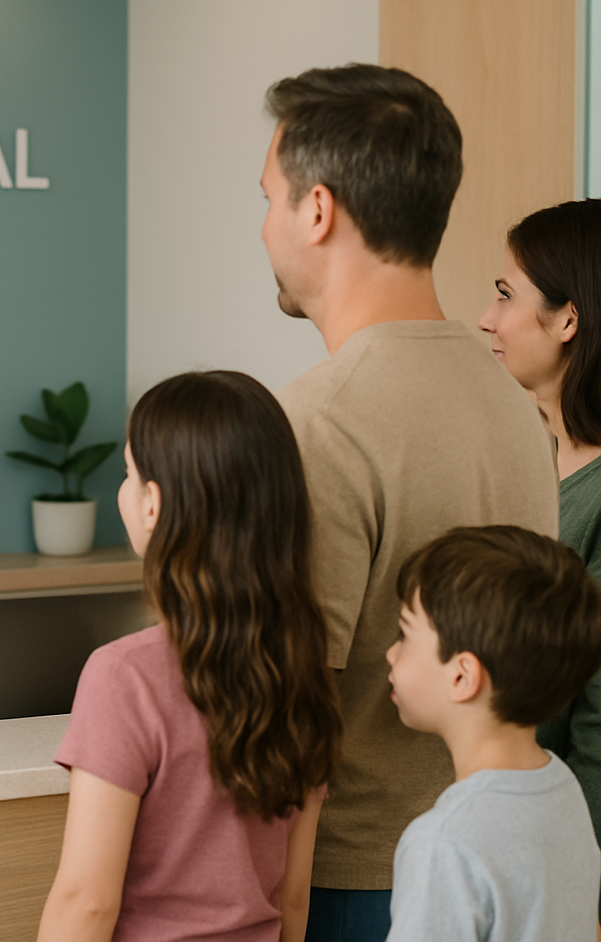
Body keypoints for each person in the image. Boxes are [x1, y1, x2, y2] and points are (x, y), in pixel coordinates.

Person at [262, 64, 560, 941]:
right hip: (499, 852)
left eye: (269, 198)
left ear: (318, 211)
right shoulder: (514, 404)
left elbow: (295, 710)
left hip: (353, 884)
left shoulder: (316, 420)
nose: (265, 224)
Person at [37, 371, 343, 942]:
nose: (124, 490)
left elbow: (86, 904)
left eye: (128, 474)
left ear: (153, 504)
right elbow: (293, 896)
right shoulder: (305, 669)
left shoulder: (123, 675)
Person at [385, 525, 601, 941]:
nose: (390, 652)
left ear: (462, 676)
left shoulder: (442, 844)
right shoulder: (563, 789)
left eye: (405, 635)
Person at [478, 198, 601, 905]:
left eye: (505, 295)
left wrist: (569, 892)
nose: (488, 319)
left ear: (568, 319)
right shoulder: (526, 457)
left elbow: (600, 734)